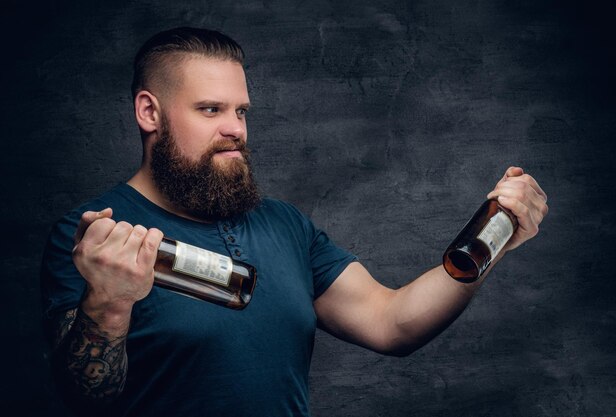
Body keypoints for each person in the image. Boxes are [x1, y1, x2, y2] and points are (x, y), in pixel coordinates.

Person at [40, 27, 548, 417]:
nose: (234, 130)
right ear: (149, 112)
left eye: (241, 111)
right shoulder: (96, 237)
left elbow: (392, 323)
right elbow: (87, 398)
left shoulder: (284, 225)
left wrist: (492, 237)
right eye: (211, 109)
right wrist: (107, 305)